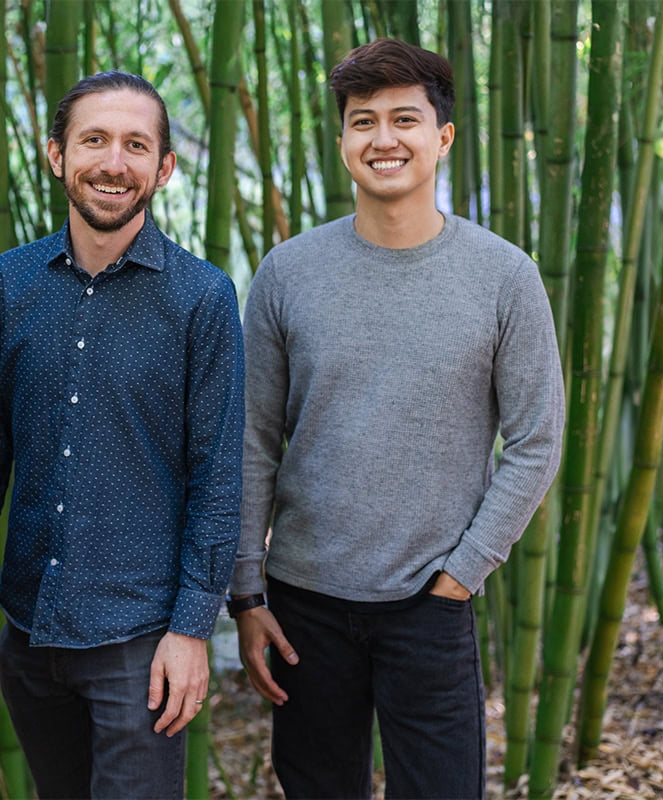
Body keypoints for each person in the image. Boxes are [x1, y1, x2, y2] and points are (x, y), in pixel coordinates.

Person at [227, 39, 565, 799]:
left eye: (404, 119)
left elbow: (537, 438)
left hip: (430, 603)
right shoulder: (288, 273)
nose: (384, 140)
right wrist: (246, 595)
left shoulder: (504, 276)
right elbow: (250, 443)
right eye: (363, 121)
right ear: (343, 139)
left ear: (442, 137)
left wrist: (462, 573)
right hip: (303, 603)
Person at [0, 71, 244, 800]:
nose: (114, 162)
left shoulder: (201, 297)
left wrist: (192, 629)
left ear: (163, 167)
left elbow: (218, 475)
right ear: (56, 155)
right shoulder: (9, 284)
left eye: (136, 145)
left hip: (139, 643)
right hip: (30, 631)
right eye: (94, 140)